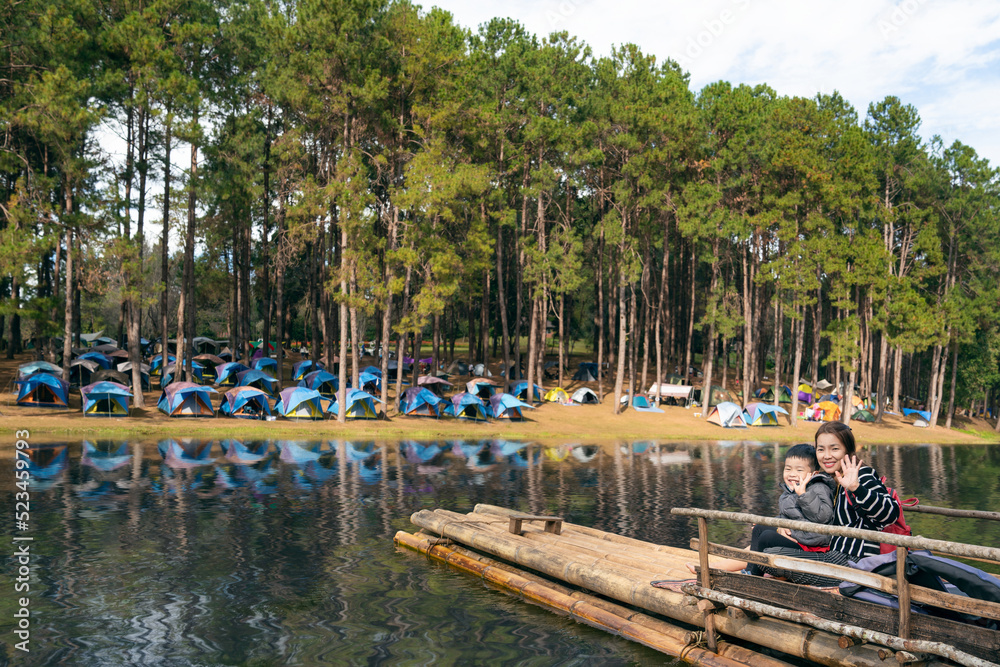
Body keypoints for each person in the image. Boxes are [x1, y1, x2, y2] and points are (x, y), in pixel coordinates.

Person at [689, 444, 835, 574]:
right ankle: (739, 570)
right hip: (798, 538)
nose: (791, 474)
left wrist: (803, 495)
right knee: (759, 529)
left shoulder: (818, 488)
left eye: (799, 470)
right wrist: (778, 525)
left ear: (813, 473)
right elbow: (789, 517)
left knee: (765, 537)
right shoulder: (789, 492)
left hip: (810, 546)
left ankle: (749, 572)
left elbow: (823, 518)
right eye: (788, 468)